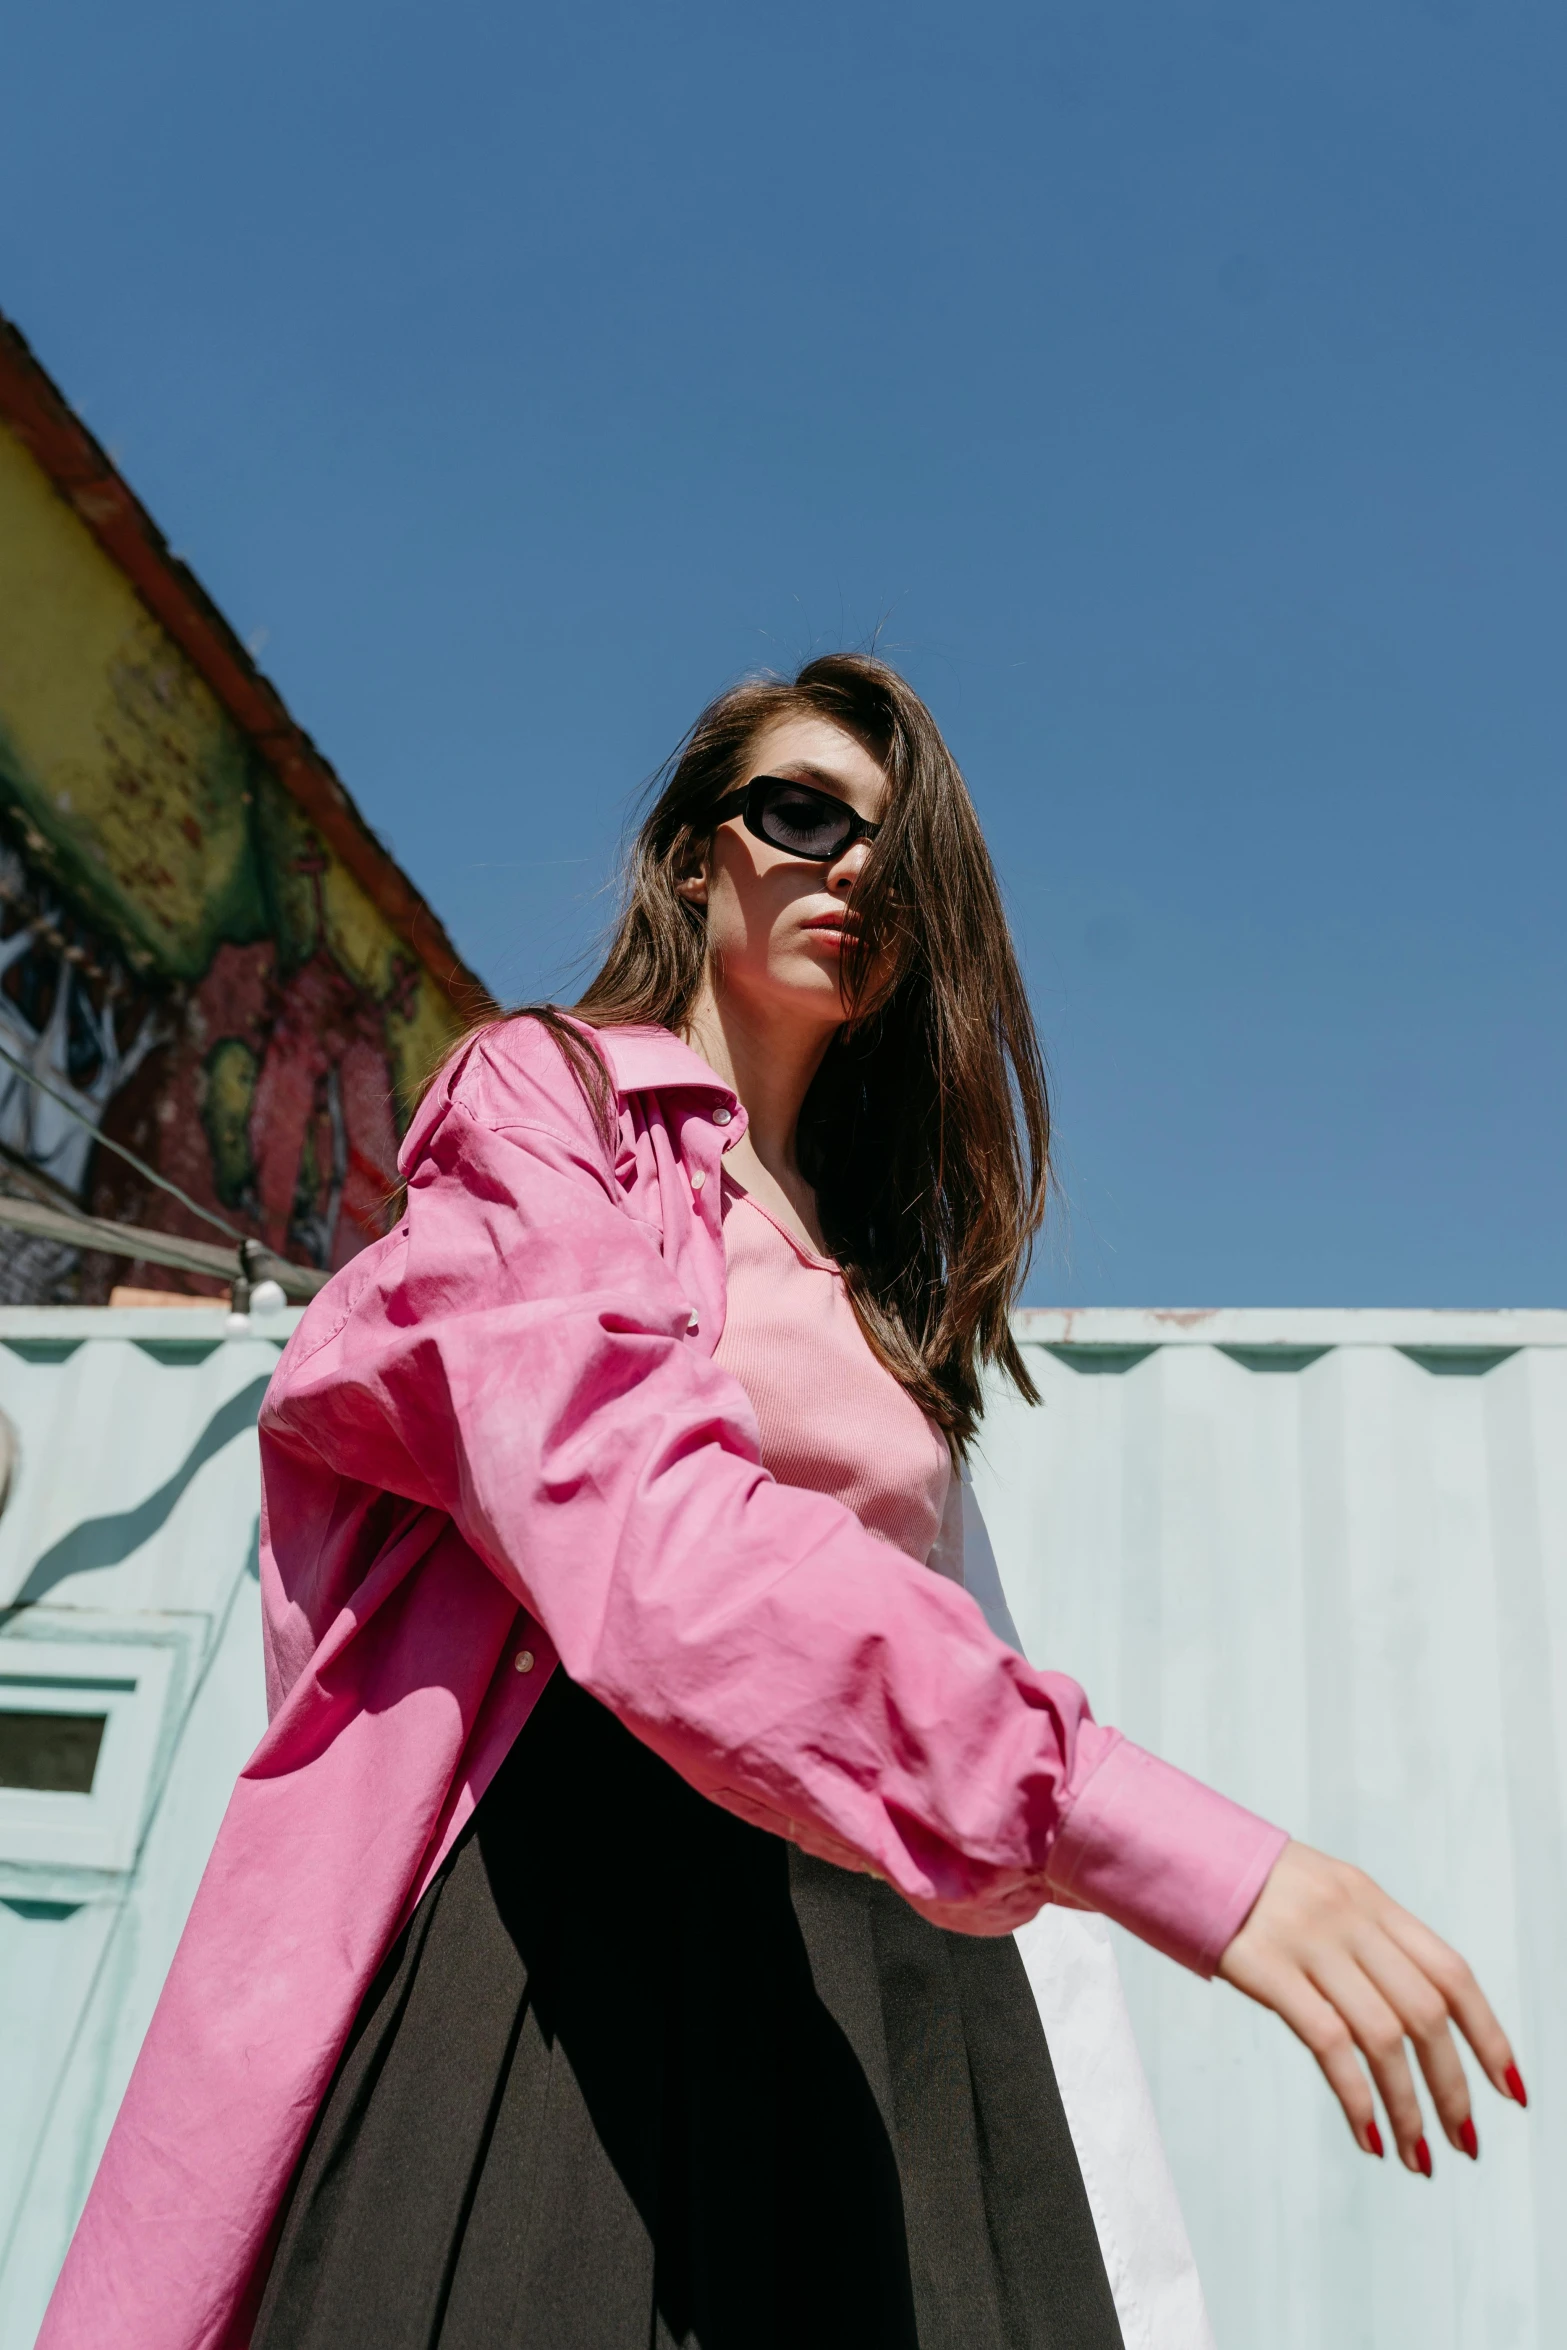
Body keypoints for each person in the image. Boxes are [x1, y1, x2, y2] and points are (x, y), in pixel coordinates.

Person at [40, 654, 1524, 2350]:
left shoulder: (880, 1263)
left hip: (889, 1979)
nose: (848, 871)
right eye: (798, 813)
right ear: (692, 854)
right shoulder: (546, 1106)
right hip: (579, 1927)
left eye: (900, 855)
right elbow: (643, 1529)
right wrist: (1186, 1854)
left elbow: (902, 1616)